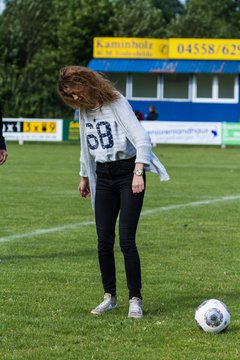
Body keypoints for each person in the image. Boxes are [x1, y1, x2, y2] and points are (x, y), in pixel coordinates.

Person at [57, 66, 169, 318]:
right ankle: (110, 296)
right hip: (103, 177)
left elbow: (142, 138)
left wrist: (139, 171)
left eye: (75, 91)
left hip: (128, 173)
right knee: (103, 242)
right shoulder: (84, 111)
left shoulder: (116, 102)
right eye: (69, 95)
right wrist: (84, 176)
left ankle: (135, 299)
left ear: (86, 83)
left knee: (127, 240)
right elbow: (86, 147)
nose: (75, 98)